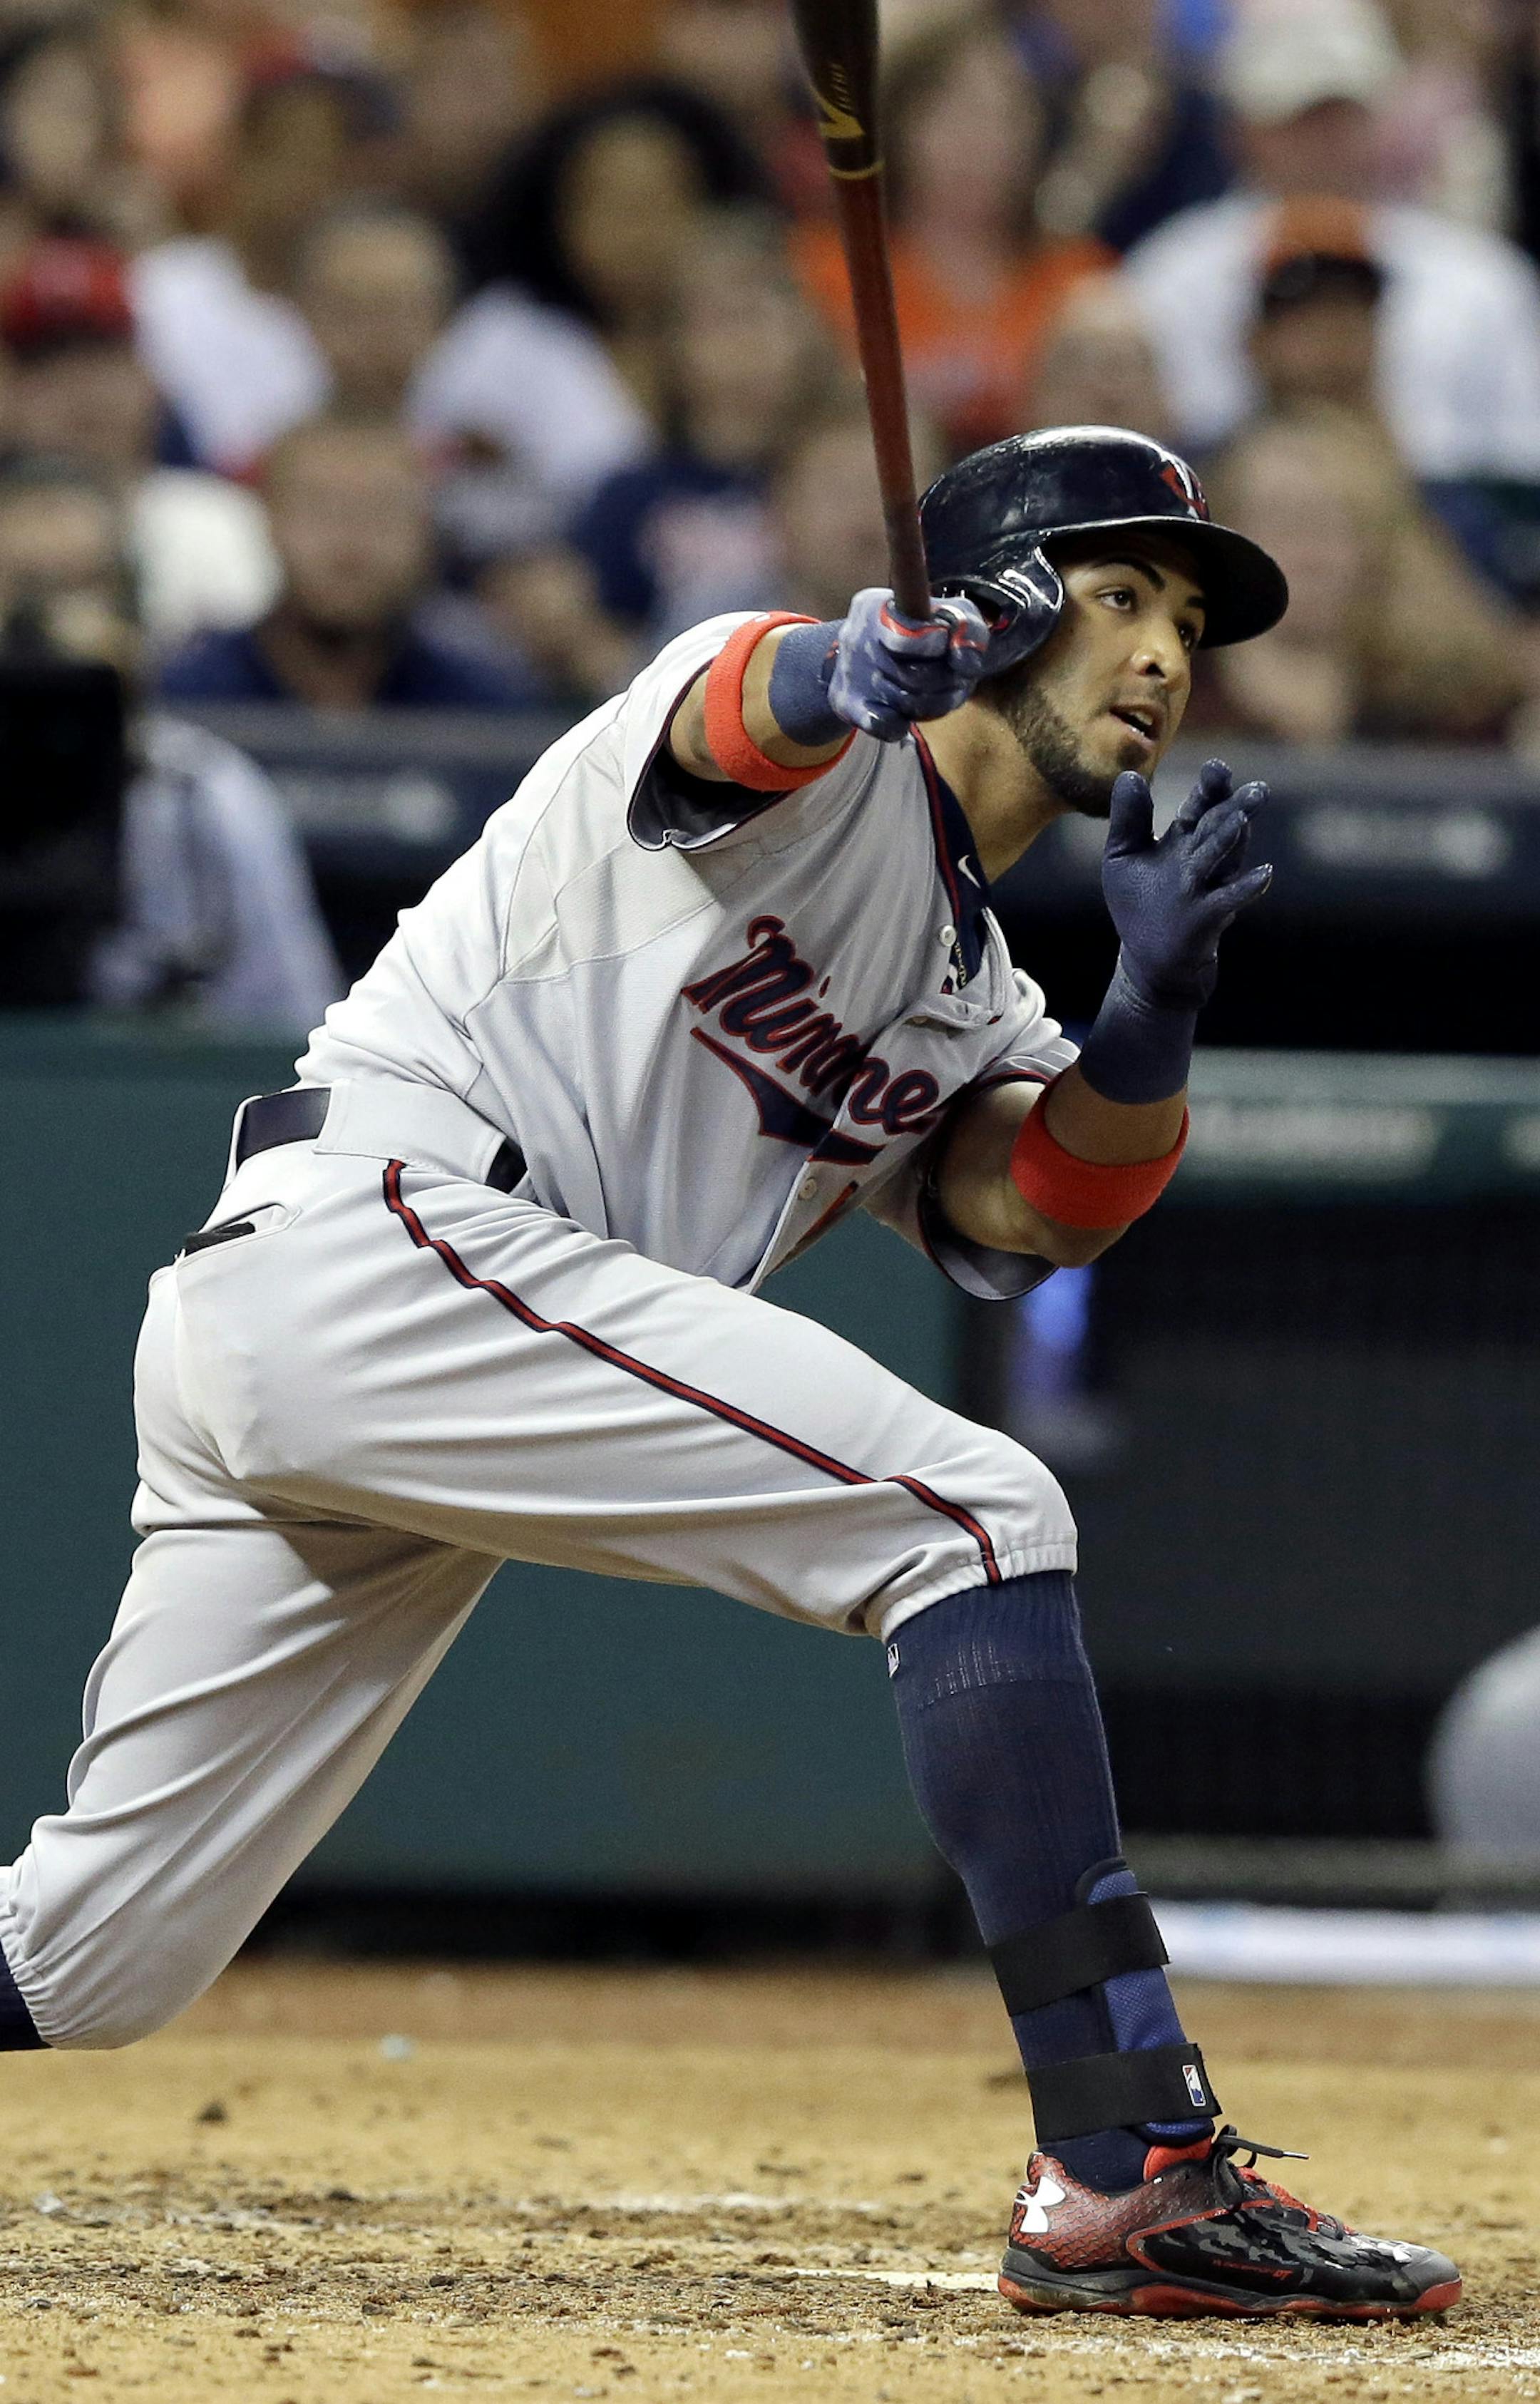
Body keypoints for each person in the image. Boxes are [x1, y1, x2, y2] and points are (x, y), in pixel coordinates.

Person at [0, 420, 1460, 2319]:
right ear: (1000, 611)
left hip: (371, 1327)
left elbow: (1030, 1211)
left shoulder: (966, 971)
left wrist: (1151, 1024)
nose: (1167, 654)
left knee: (89, 1956)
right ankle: (1128, 2161)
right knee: (976, 1509)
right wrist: (859, 658)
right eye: (1115, 598)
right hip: (388, 1237)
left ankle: (1127, 2172)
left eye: (1187, 618)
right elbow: (731, 707)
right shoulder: (819, 745)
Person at [1124, 0, 1540, 479]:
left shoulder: (1482, 282)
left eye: (1343, 115)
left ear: (1380, 120)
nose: (1323, 140)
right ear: (1240, 128)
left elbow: (1522, 470)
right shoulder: (1167, 277)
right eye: (1298, 116)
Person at [0, 456, 341, 1029]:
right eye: (25, 589)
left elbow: (292, 1037)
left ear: (131, 617)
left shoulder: (202, 794)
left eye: (78, 589)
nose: (46, 631)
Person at [791, 18, 1109, 454]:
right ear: (898, 125)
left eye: (1006, 117)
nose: (979, 143)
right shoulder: (825, 267)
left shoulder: (1082, 279)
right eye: (952, 114)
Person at [1, 236, 279, 654]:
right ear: (10, 392)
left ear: (150, 380)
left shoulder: (222, 522)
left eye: (106, 362)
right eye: (50, 367)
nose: (83, 390)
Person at [157, 414, 538, 711]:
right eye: (321, 509)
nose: (351, 541)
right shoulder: (186, 704)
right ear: (269, 522)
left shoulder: (482, 714)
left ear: (425, 530)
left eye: (381, 510)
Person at [1194, 406, 1527, 744]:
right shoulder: (1167, 704)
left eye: (1338, 528)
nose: (1311, 556)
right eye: (1283, 522)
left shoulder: (1451, 714)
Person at [128, 66, 391, 475]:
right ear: (239, 156)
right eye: (285, 154)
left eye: (325, 162)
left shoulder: (356, 311)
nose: (304, 182)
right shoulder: (160, 286)